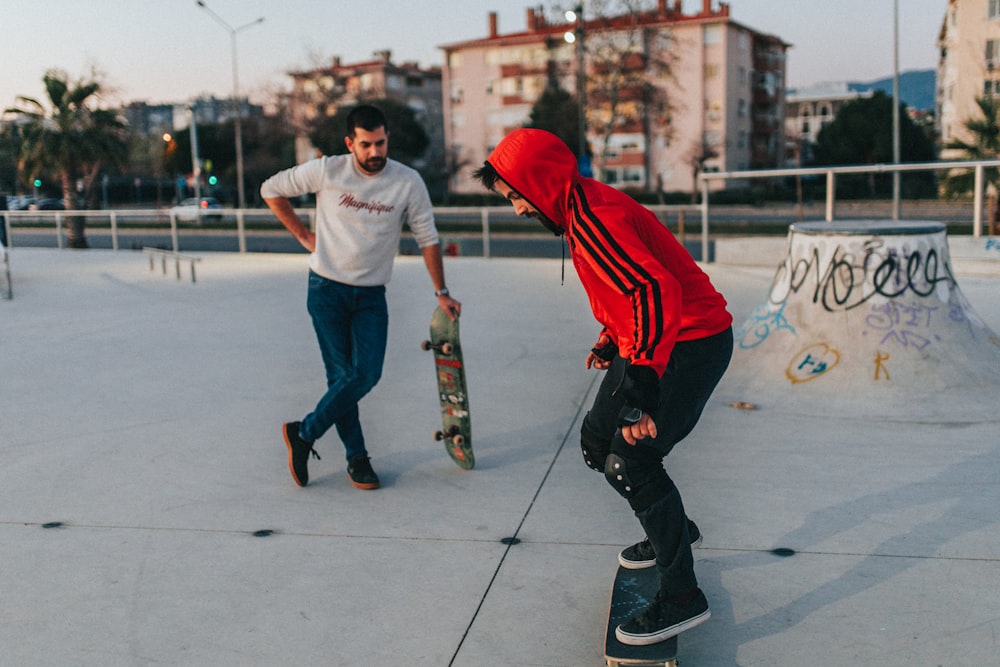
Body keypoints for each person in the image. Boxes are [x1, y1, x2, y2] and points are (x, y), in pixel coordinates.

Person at [472, 129, 733, 646]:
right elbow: (627, 293)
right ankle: (676, 531)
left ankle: (682, 596)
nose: (519, 210)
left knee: (631, 462)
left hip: (688, 345)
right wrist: (612, 340)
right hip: (647, 342)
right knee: (597, 444)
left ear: (540, 183)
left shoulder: (593, 219)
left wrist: (642, 390)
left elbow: (655, 290)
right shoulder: (579, 212)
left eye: (517, 196)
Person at [262, 104, 461, 490]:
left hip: (371, 295)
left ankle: (303, 433)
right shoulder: (327, 170)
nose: (375, 153)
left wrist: (442, 292)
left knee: (365, 374)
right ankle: (357, 459)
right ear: (349, 143)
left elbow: (427, 237)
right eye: (366, 145)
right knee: (342, 377)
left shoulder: (407, 181)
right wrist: (304, 236)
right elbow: (270, 190)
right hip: (326, 289)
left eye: (381, 143)